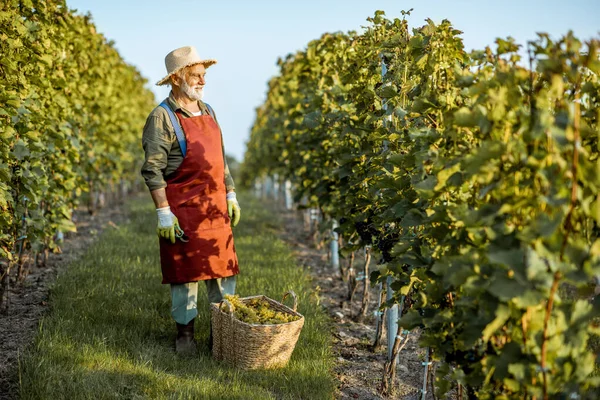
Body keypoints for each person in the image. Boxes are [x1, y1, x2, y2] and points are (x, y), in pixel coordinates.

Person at [141, 46, 241, 354]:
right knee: (186, 275)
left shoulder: (208, 111)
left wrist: (230, 192)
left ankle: (222, 334)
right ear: (175, 79)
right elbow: (152, 170)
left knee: (223, 271)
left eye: (203, 75)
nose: (202, 81)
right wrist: (163, 213)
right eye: (195, 75)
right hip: (183, 208)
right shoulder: (162, 117)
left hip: (215, 208)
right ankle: (185, 334)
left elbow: (218, 159)